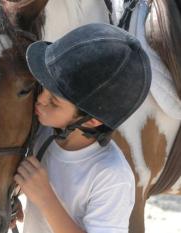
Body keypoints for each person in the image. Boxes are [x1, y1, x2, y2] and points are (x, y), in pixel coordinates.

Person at [13, 23, 152, 233]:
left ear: (91, 120)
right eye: (44, 89)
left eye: (54, 101)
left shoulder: (112, 176)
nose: (40, 100)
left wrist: (45, 199)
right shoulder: (42, 133)